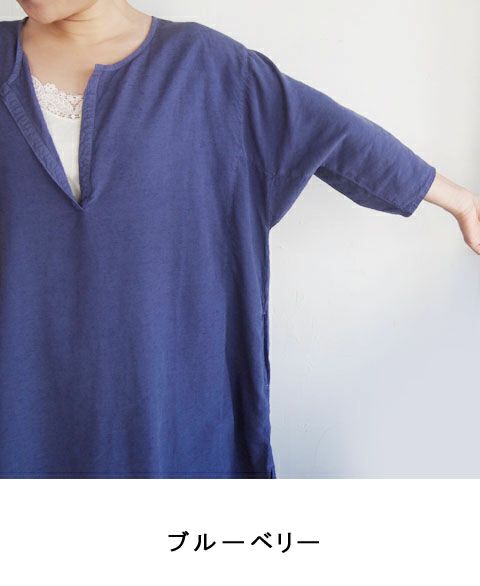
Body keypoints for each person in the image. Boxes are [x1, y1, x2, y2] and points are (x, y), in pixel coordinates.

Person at [0, 0, 477, 479]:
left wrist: (460, 201)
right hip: (22, 396)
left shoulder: (209, 70)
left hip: (168, 404)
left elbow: (336, 136)